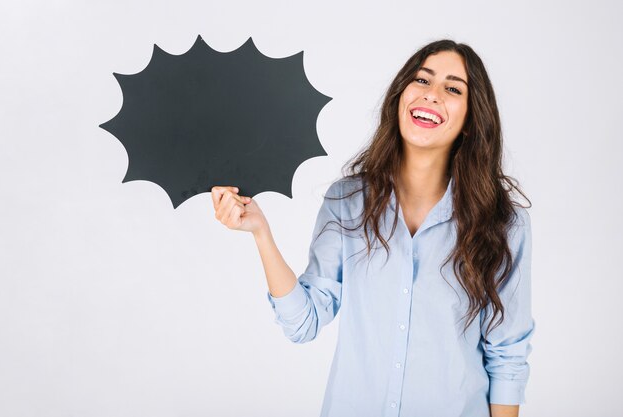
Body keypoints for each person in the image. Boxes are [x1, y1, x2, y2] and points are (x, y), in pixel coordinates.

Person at [211, 39, 534, 417]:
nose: (431, 95)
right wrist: (260, 232)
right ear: (401, 96)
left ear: (470, 121)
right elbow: (304, 322)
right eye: (422, 80)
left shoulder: (504, 223)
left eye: (452, 88)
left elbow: (508, 354)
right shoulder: (346, 201)